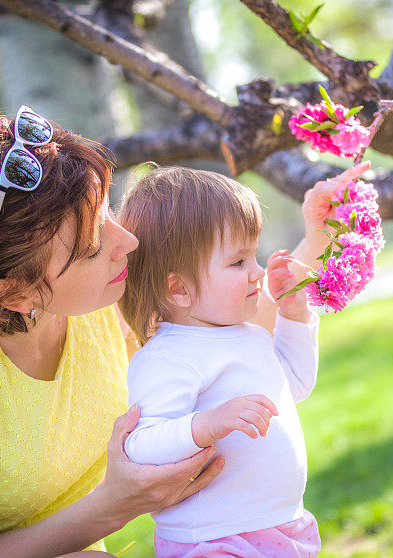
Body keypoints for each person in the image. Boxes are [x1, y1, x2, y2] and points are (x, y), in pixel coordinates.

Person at [0, 104, 369, 557]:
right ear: (15, 294)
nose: (128, 240)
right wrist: (116, 504)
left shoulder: (104, 298)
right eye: (91, 246)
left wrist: (316, 238)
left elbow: (237, 325)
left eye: (107, 209)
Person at [117, 167, 320, 557]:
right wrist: (208, 424)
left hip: (278, 524)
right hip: (212, 538)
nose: (257, 272)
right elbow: (142, 447)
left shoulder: (249, 335)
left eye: (254, 255)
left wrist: (295, 317)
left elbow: (294, 386)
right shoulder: (166, 357)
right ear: (179, 288)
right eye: (237, 262)